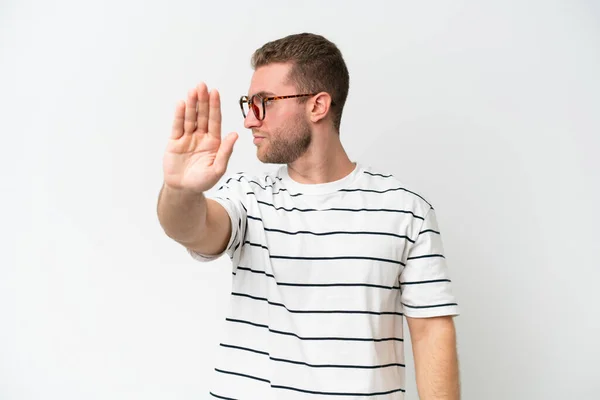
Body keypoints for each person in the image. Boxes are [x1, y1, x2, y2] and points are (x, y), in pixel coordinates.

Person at [157, 32, 460, 400]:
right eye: (248, 103)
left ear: (318, 106)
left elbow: (431, 333)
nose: (251, 120)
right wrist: (180, 189)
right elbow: (192, 228)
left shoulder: (406, 211)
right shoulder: (248, 198)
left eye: (264, 102)